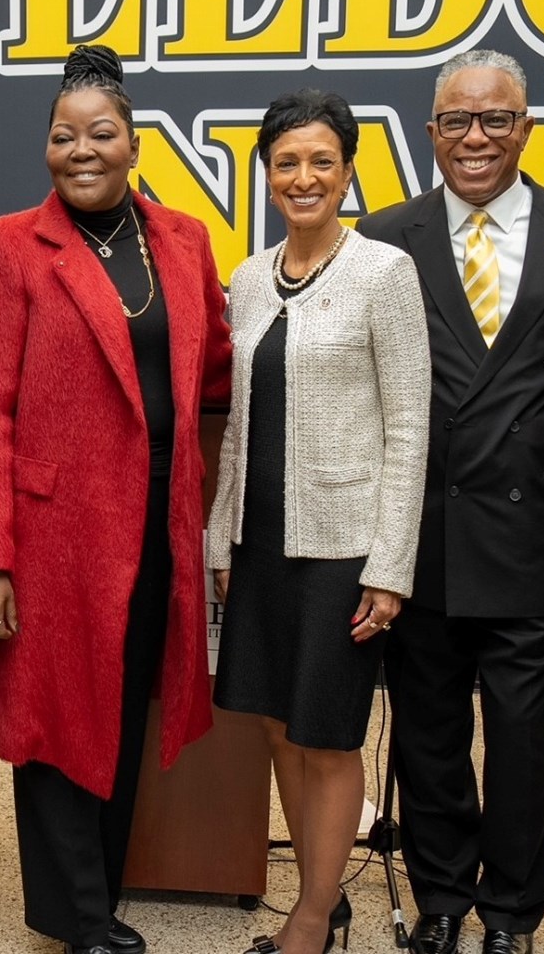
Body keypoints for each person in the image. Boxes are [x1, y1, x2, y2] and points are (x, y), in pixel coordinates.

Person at [0, 44, 232, 954]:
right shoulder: (8, 245)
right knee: (55, 716)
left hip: (158, 521)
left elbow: (218, 369)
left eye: (101, 133)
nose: (81, 149)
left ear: (134, 142)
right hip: (51, 532)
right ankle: (76, 915)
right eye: (63, 135)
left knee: (121, 708)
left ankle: (97, 895)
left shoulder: (183, 240)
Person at [353, 49, 544, 954]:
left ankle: (511, 911)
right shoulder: (384, 235)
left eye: (496, 119)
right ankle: (440, 901)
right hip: (421, 536)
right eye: (457, 121)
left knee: (522, 744)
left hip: (534, 537)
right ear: (430, 133)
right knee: (427, 737)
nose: (476, 138)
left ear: (527, 129)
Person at [206, 89, 430, 954]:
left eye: (321, 162)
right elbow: (241, 426)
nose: (304, 177)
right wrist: (222, 533)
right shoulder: (251, 278)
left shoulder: (383, 273)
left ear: (347, 172)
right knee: (270, 722)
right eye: (287, 162)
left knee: (327, 735)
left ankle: (309, 919)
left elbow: (410, 426)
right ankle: (321, 890)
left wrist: (390, 566)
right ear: (267, 174)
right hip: (260, 543)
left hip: (346, 548)